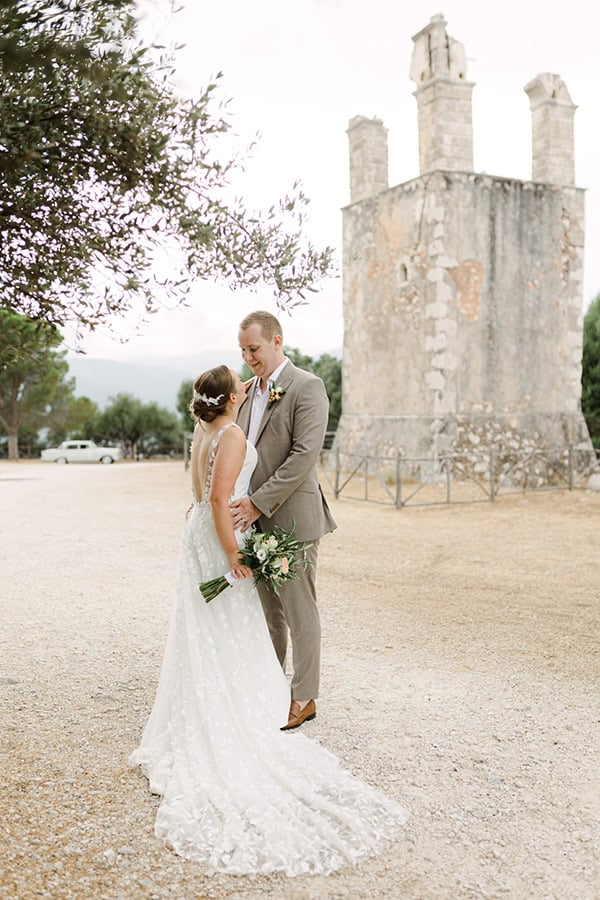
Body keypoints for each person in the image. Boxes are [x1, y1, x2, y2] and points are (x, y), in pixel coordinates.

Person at [129, 364, 406, 875]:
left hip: (201, 533)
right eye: (240, 372)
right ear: (231, 396)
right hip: (220, 537)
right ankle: (245, 710)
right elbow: (218, 498)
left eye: (250, 353)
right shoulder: (231, 431)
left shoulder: (203, 429)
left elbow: (206, 492)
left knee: (208, 628)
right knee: (234, 622)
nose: (247, 374)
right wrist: (234, 553)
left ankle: (240, 699)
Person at [232, 311, 336, 730]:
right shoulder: (246, 391)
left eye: (253, 349)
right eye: (242, 350)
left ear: (277, 341)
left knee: (299, 611)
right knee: (267, 613)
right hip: (252, 523)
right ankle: (270, 686)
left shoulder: (307, 387)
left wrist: (258, 503)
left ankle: (304, 696)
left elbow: (303, 458)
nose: (248, 357)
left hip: (293, 519)